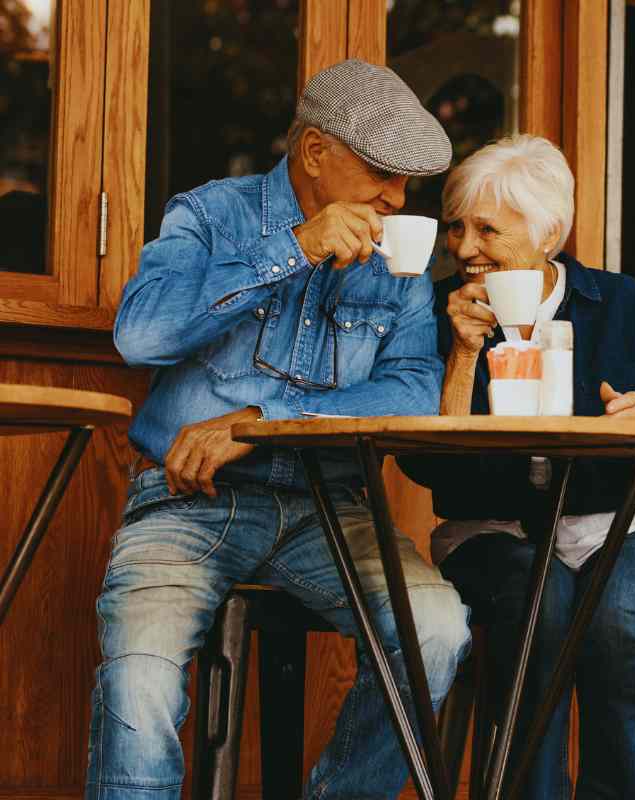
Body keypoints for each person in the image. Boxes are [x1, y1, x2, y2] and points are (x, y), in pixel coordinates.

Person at [87, 60, 470, 800]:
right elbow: (140, 336)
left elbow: (415, 386)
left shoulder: (401, 259)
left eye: (407, 181)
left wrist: (265, 424)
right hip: (187, 504)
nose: (397, 198)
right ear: (316, 153)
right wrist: (294, 246)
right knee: (140, 676)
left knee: (438, 631)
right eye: (383, 173)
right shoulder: (209, 214)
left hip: (333, 510)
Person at [404, 134, 635, 799]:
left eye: (486, 228)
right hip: (495, 534)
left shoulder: (619, 305)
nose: (462, 247)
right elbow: (429, 469)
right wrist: (461, 357)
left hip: (626, 527)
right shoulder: (437, 314)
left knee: (620, 614)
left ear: (546, 232)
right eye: (456, 227)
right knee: (540, 608)